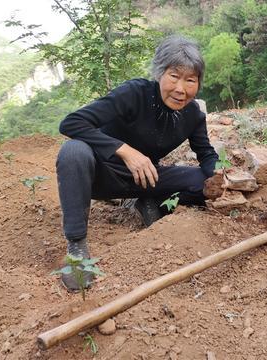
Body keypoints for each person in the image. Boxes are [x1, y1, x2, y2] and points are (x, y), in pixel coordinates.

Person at [55, 35, 218, 290]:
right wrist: (126, 151)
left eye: (190, 80)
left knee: (203, 181)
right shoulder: (134, 93)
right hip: (103, 175)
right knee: (73, 151)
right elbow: (71, 123)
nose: (181, 88)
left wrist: (220, 175)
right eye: (174, 76)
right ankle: (77, 246)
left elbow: (206, 154)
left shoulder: (193, 114)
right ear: (159, 73)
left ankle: (153, 206)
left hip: (145, 179)